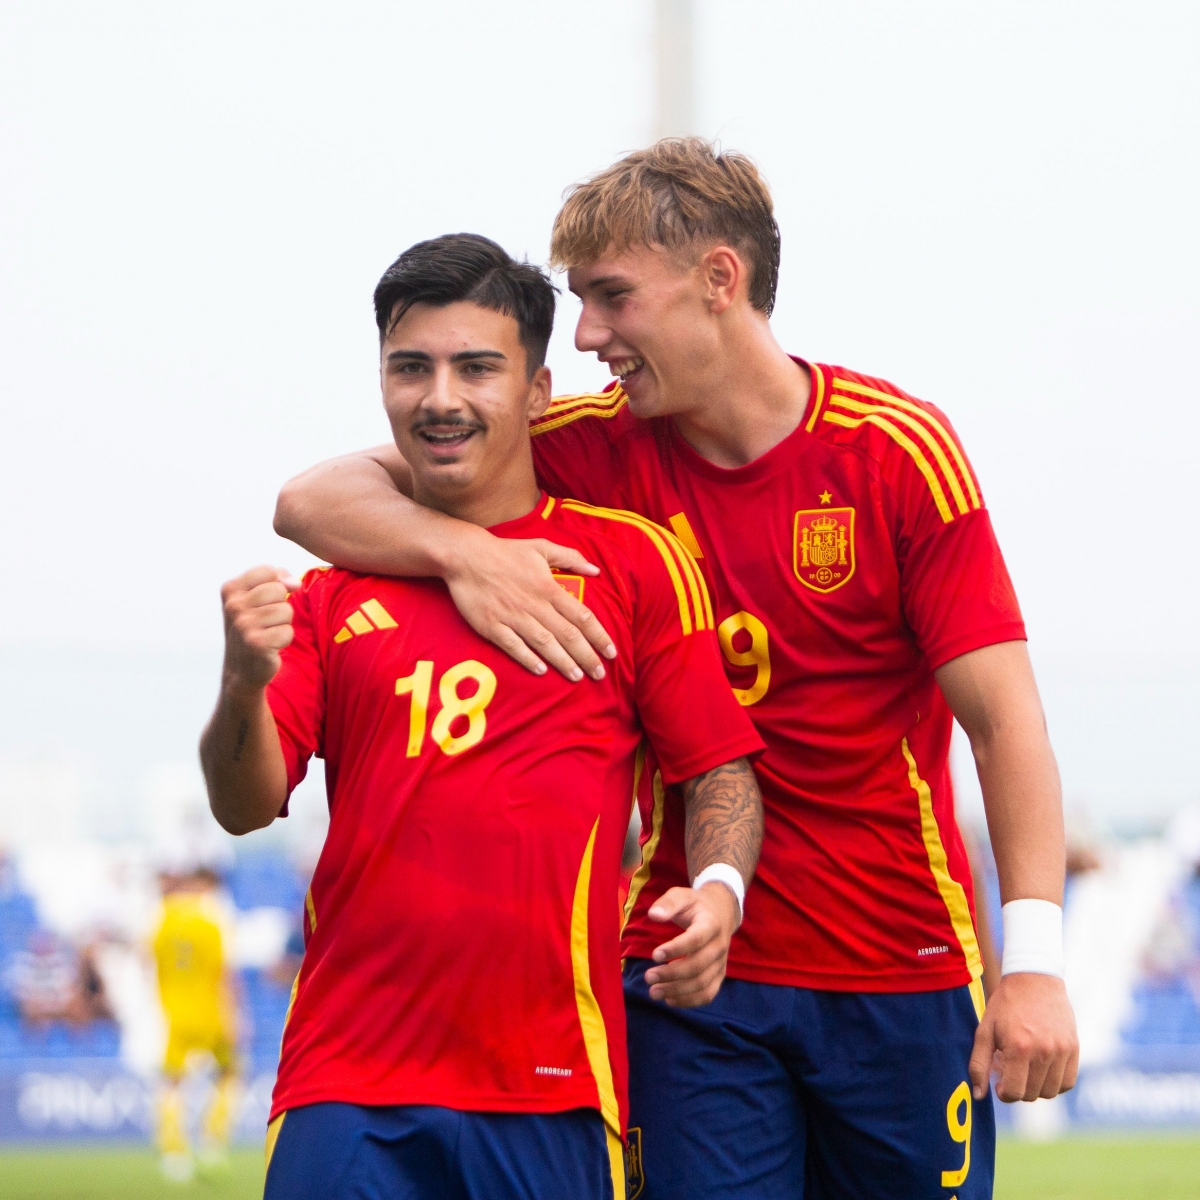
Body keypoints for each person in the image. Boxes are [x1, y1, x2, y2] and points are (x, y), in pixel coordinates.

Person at [274, 139, 1080, 1199]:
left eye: (611, 298)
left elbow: (1006, 721)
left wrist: (1035, 959)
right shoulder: (583, 443)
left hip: (899, 967)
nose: (591, 333)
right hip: (686, 977)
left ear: (718, 280)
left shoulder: (894, 452)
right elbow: (309, 502)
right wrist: (463, 550)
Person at [200, 233, 765, 1200]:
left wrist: (719, 890)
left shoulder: (627, 567)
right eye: (410, 367)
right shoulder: (334, 592)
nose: (441, 397)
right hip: (346, 1082)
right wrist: (242, 680)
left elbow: (716, 768)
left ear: (539, 392)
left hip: (553, 1083)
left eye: (477, 367)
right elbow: (245, 805)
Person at [152, 865, 240, 1182]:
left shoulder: (163, 921)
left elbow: (147, 959)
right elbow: (225, 974)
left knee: (172, 1083)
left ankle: (174, 1153)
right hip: (212, 1014)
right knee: (230, 1074)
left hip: (175, 1014)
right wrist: (236, 1017)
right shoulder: (212, 922)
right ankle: (213, 1140)